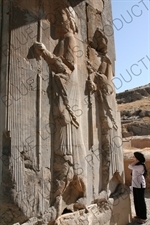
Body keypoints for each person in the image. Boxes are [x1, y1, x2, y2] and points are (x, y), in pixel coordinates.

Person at [128, 151, 147, 224]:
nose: (134, 158)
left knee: (141, 201)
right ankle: (138, 214)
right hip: (135, 185)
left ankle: (143, 217)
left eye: (135, 157)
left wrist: (136, 161)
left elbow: (130, 166)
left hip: (140, 185)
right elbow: (130, 166)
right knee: (136, 200)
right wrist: (136, 161)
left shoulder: (141, 166)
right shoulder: (138, 165)